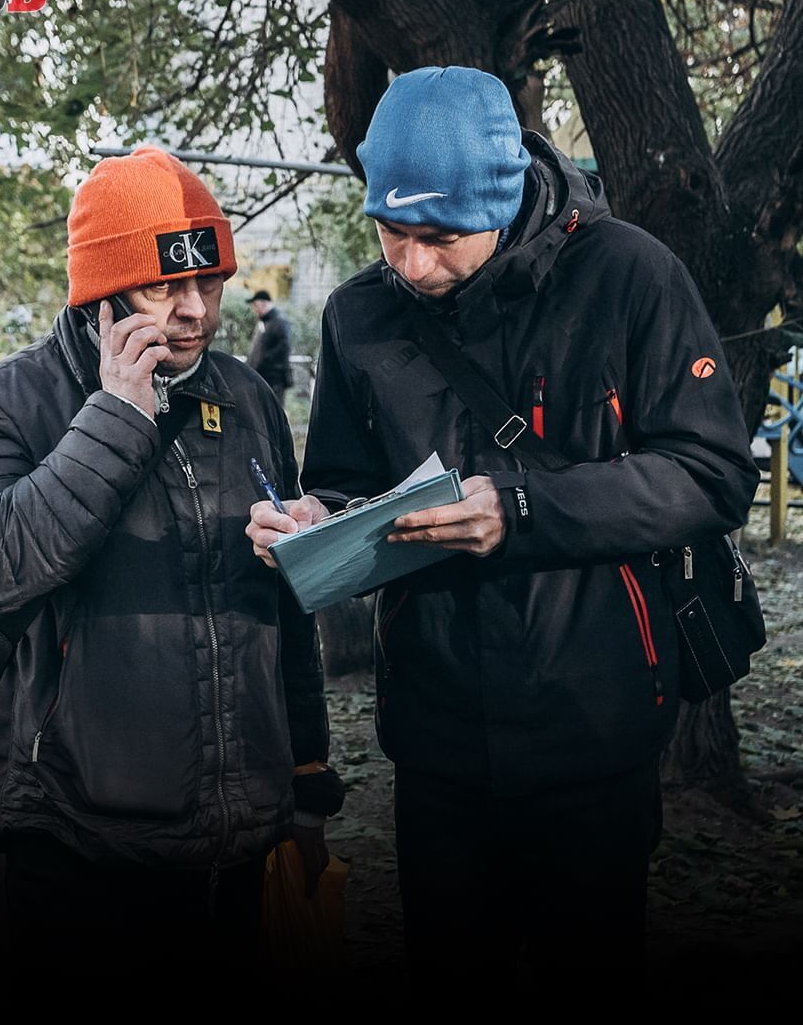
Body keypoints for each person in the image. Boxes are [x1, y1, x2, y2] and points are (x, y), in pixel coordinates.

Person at [247, 67, 758, 991]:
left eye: (437, 239)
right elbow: (342, 480)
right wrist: (317, 518)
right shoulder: (361, 314)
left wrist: (521, 508)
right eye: (388, 232)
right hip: (437, 734)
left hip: (595, 726)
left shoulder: (631, 276)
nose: (408, 264)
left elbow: (712, 473)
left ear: (505, 199)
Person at [0, 146, 341, 975]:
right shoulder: (2, 404)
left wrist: (305, 777)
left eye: (211, 282)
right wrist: (116, 417)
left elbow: (285, 615)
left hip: (235, 835)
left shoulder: (247, 396)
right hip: (79, 838)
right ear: (101, 291)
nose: (195, 311)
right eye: (164, 288)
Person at [247, 289, 293, 406]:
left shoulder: (278, 321)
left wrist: (264, 360)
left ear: (263, 303)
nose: (255, 309)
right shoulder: (266, 321)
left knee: (274, 412)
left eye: (256, 306)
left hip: (274, 379)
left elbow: (284, 347)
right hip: (264, 377)